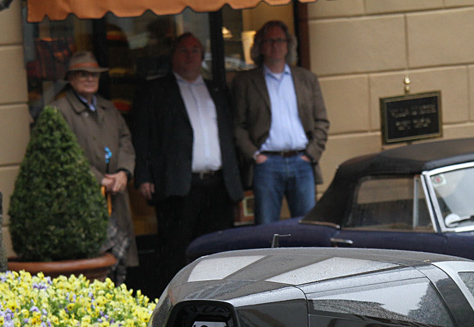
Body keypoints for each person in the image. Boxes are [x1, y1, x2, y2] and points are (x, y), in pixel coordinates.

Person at [132, 33, 243, 288]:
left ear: (202, 57)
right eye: (184, 50)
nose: (190, 56)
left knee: (219, 250)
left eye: (195, 50)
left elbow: (230, 137)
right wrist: (144, 175)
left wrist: (238, 181)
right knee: (175, 251)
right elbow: (142, 136)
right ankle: (177, 301)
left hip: (218, 185)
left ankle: (218, 296)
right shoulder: (155, 91)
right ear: (173, 56)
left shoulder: (216, 90)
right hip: (178, 186)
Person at [231, 20, 329, 225]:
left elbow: (322, 121)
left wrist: (311, 154)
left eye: (279, 40)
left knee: (307, 226)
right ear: (260, 46)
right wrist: (255, 155)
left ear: (288, 45)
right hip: (267, 164)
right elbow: (237, 126)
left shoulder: (306, 79)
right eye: (269, 41)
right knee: (266, 228)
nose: (275, 45)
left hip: (302, 161)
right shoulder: (246, 82)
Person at [52, 51, 137, 284]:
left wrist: (124, 172)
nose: (90, 79)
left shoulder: (109, 109)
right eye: (83, 74)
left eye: (94, 75)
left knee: (119, 268)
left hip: (116, 198)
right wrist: (99, 179)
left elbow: (125, 141)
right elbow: (62, 155)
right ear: (71, 78)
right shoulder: (59, 111)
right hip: (84, 201)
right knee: (93, 269)